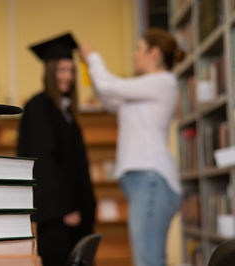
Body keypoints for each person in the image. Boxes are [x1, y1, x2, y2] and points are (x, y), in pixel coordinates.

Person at [79, 28, 185, 266]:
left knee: (148, 261)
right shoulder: (142, 91)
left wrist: (93, 57)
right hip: (145, 181)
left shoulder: (163, 82)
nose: (134, 54)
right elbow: (107, 98)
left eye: (139, 48)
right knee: (148, 259)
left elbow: (110, 87)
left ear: (154, 53)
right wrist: (90, 67)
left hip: (151, 179)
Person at [17, 33, 95, 266]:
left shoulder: (66, 111)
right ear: (50, 72)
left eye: (71, 70)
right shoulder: (38, 107)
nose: (68, 77)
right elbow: (44, 163)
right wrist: (66, 209)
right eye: (61, 70)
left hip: (73, 215)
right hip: (57, 216)